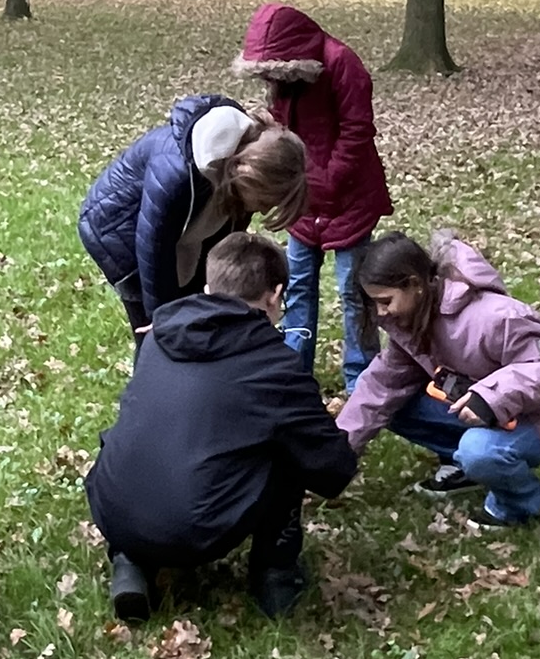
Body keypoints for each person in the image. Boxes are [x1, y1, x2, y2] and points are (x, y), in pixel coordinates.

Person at [85, 232, 358, 621]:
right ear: (276, 295)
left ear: (209, 287)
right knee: (288, 451)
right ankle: (275, 575)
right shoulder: (275, 367)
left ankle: (130, 560)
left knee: (146, 432)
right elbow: (332, 469)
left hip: (110, 508)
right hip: (193, 530)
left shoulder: (157, 335)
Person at [337, 232, 540, 527]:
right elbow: (381, 387)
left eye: (385, 300)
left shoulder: (495, 316)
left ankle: (515, 505)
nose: (380, 312)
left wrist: (491, 397)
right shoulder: (413, 321)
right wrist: (335, 452)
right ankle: (466, 466)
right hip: (481, 410)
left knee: (479, 451)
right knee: (392, 403)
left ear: (414, 285)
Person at [232, 3, 392, 389]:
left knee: (355, 290)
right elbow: (285, 129)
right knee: (297, 285)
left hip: (348, 196)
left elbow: (357, 131)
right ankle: (295, 372)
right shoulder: (282, 78)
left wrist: (326, 183)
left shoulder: (342, 64)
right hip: (302, 199)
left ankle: (362, 379)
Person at [78, 94, 307, 338]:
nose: (262, 210)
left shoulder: (239, 177)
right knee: (157, 333)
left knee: (195, 318)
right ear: (250, 177)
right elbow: (153, 248)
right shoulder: (176, 173)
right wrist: (163, 318)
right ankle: (151, 372)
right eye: (264, 202)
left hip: (181, 237)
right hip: (119, 230)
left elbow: (221, 255)